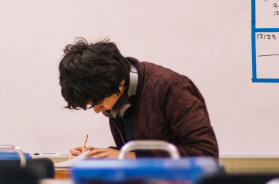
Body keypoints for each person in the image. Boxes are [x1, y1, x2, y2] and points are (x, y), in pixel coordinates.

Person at [58, 38, 219, 159]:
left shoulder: (170, 86)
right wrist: (97, 156)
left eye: (98, 102)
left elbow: (206, 153)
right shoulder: (120, 99)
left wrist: (130, 157)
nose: (96, 110)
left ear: (119, 81)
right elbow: (139, 150)